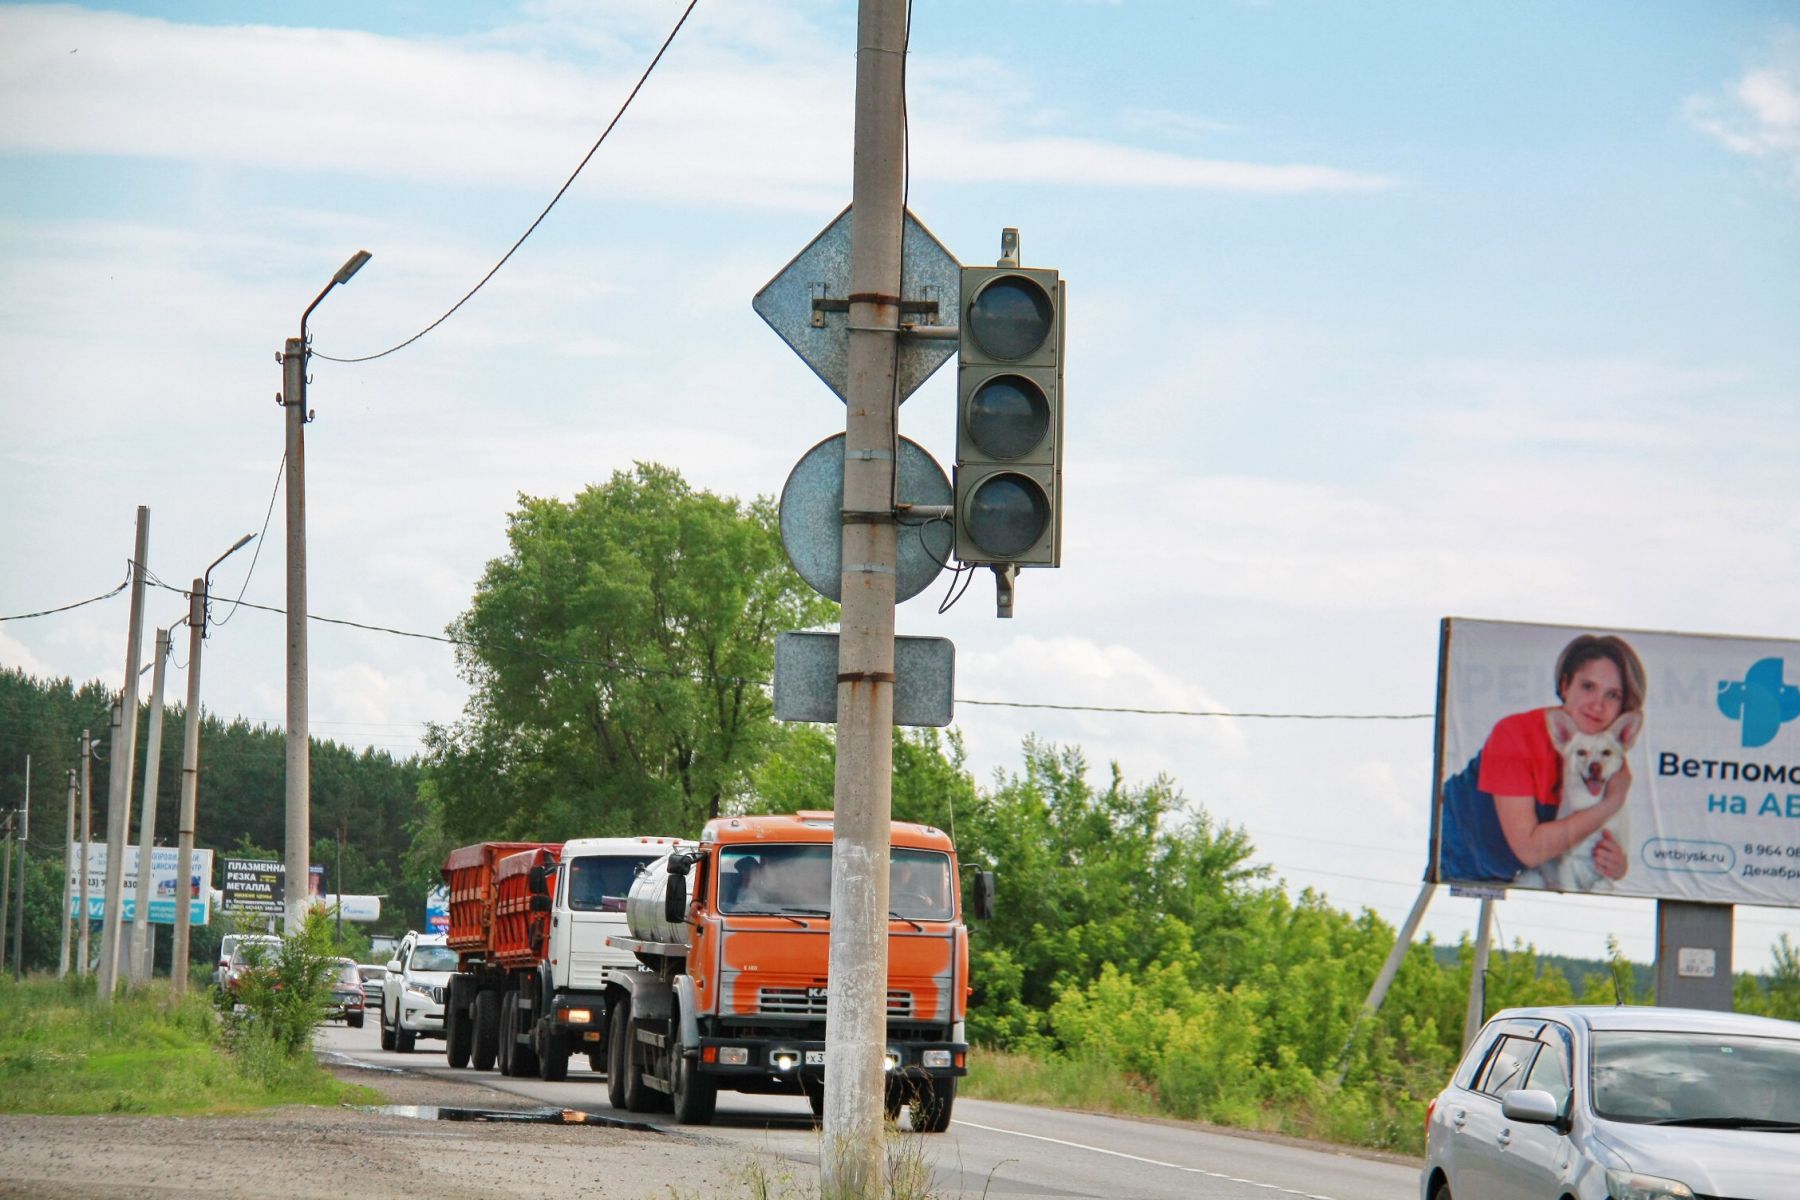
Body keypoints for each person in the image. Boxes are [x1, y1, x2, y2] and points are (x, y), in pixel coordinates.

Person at [1437, 634, 1647, 885]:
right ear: (1565, 684)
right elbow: (1530, 849)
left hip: (1508, 875)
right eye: (1588, 687)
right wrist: (1611, 803)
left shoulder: (1608, 758)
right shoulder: (1516, 735)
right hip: (1453, 860)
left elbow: (1579, 844)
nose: (1597, 705)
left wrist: (1617, 865)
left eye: (1612, 695)